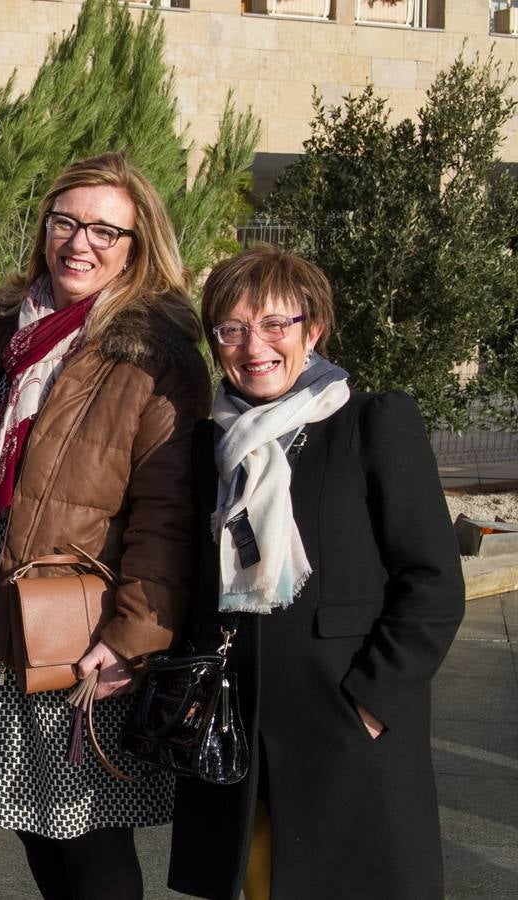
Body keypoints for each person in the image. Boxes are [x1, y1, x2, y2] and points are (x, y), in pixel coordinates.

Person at [167, 246, 465, 899]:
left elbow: (433, 581)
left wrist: (371, 703)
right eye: (233, 329)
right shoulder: (205, 446)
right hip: (239, 735)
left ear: (313, 329)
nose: (256, 346)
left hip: (346, 730)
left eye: (276, 324)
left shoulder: (372, 423)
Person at [0, 151, 209, 900]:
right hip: (9, 610)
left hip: (87, 623)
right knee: (34, 820)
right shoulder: (13, 337)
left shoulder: (154, 357)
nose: (79, 242)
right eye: (66, 221)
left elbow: (168, 516)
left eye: (105, 230)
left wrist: (131, 639)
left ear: (138, 247)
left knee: (89, 832)